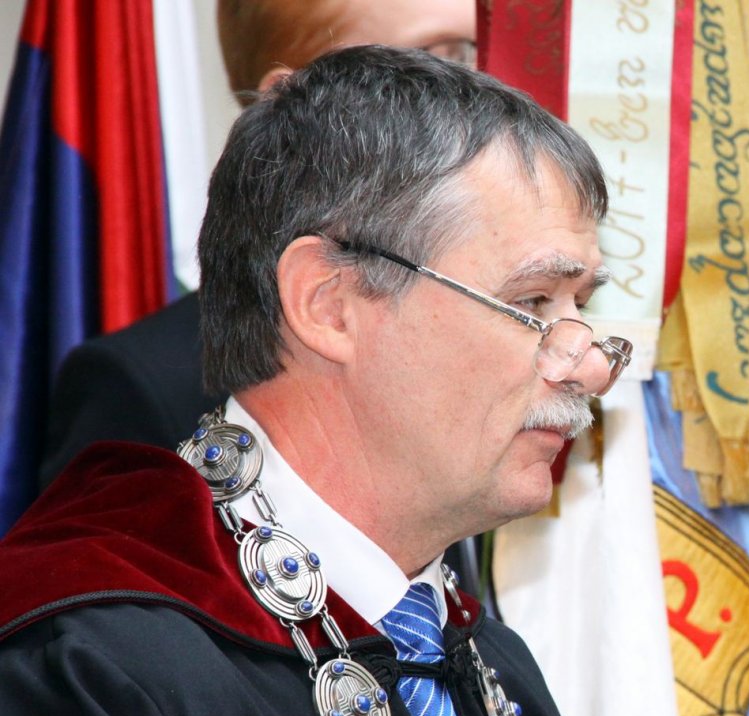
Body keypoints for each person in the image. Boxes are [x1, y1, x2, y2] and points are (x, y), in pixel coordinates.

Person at [0, 46, 631, 716]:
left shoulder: (493, 662)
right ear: (329, 304)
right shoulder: (96, 679)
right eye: (534, 301)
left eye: (583, 306)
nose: (588, 366)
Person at [37, 0, 476, 492]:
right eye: (433, 61)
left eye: (476, 51)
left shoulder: (486, 323)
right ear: (292, 104)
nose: (488, 89)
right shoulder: (147, 387)